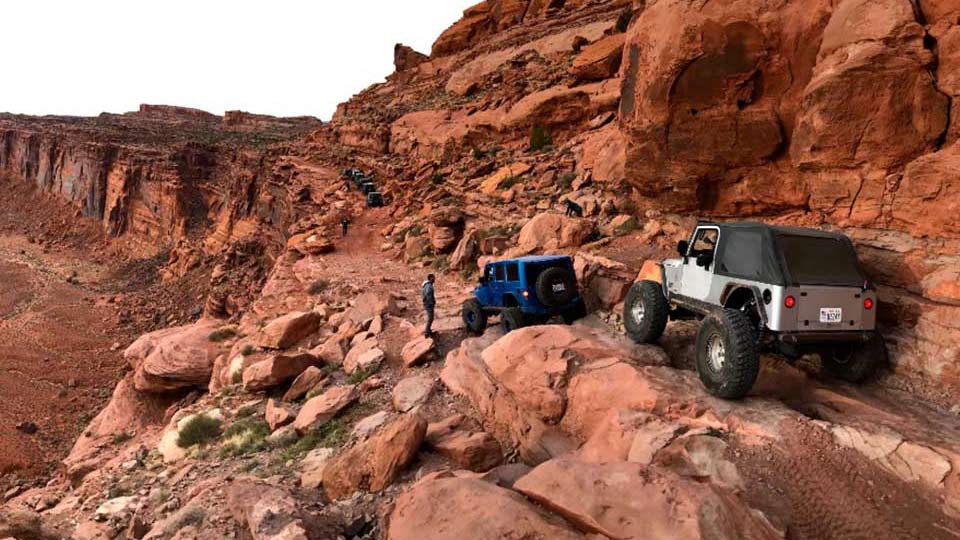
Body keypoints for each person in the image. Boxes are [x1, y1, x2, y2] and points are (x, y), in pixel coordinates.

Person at [422, 274, 436, 338]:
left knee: (430, 318)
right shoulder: (429, 286)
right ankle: (427, 333)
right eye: (433, 278)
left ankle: (428, 330)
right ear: (430, 278)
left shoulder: (427, 285)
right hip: (428, 304)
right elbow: (428, 295)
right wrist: (431, 303)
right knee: (430, 318)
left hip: (427, 304)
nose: (434, 279)